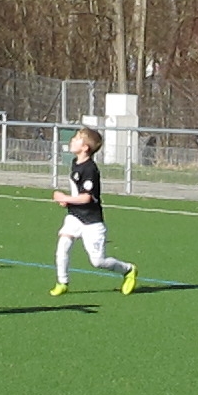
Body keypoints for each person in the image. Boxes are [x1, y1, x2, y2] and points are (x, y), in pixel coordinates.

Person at [49, 125, 138, 297]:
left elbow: (86, 198)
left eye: (76, 138)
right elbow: (78, 194)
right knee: (63, 246)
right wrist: (68, 203)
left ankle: (128, 269)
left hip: (92, 221)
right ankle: (62, 282)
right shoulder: (75, 163)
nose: (72, 140)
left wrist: (65, 197)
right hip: (75, 217)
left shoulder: (90, 169)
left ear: (85, 147)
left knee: (98, 261)